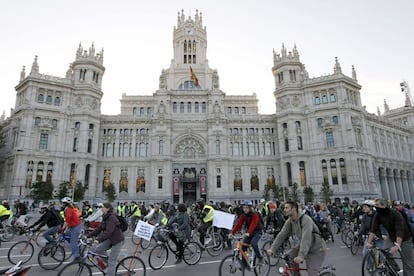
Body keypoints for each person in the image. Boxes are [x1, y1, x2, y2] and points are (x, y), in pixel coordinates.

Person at [267, 201, 326, 276]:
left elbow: (306, 238)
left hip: (316, 248)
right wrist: (272, 248)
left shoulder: (305, 219)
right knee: (289, 256)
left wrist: (301, 256)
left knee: (312, 273)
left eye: (287, 208)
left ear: (294, 209)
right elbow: (282, 234)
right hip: (305, 246)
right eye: (284, 208)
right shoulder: (290, 221)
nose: (284, 210)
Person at [366, 198, 414, 276]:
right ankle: (395, 270)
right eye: (375, 205)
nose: (375, 207)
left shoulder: (395, 213)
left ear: (384, 205)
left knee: (407, 263)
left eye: (377, 205)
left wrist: (397, 245)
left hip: (404, 238)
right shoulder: (377, 215)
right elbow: (373, 229)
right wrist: (368, 242)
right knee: (385, 252)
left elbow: (400, 230)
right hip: (391, 237)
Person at [88, 202, 125, 276]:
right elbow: (99, 228)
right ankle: (111, 265)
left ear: (107, 208)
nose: (101, 209)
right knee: (98, 250)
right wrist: (89, 235)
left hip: (117, 240)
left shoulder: (112, 217)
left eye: (103, 207)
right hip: (111, 239)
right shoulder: (105, 217)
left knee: (112, 260)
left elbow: (109, 231)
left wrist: (98, 239)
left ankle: (111, 268)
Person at [229, 200, 264, 266]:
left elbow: (253, 224)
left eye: (247, 208)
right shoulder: (243, 216)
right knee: (243, 246)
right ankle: (245, 263)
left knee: (254, 243)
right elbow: (238, 225)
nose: (245, 209)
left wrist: (248, 233)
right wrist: (232, 233)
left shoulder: (255, 214)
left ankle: (260, 258)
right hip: (250, 232)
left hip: (257, 231)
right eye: (244, 208)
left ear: (250, 208)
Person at [60, 197, 82, 262]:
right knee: (66, 235)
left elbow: (67, 220)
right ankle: (76, 246)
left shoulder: (68, 210)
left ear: (65, 204)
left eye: (62, 203)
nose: (61, 204)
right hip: (71, 226)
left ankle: (77, 256)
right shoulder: (67, 209)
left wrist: (63, 228)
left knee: (73, 242)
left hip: (75, 226)